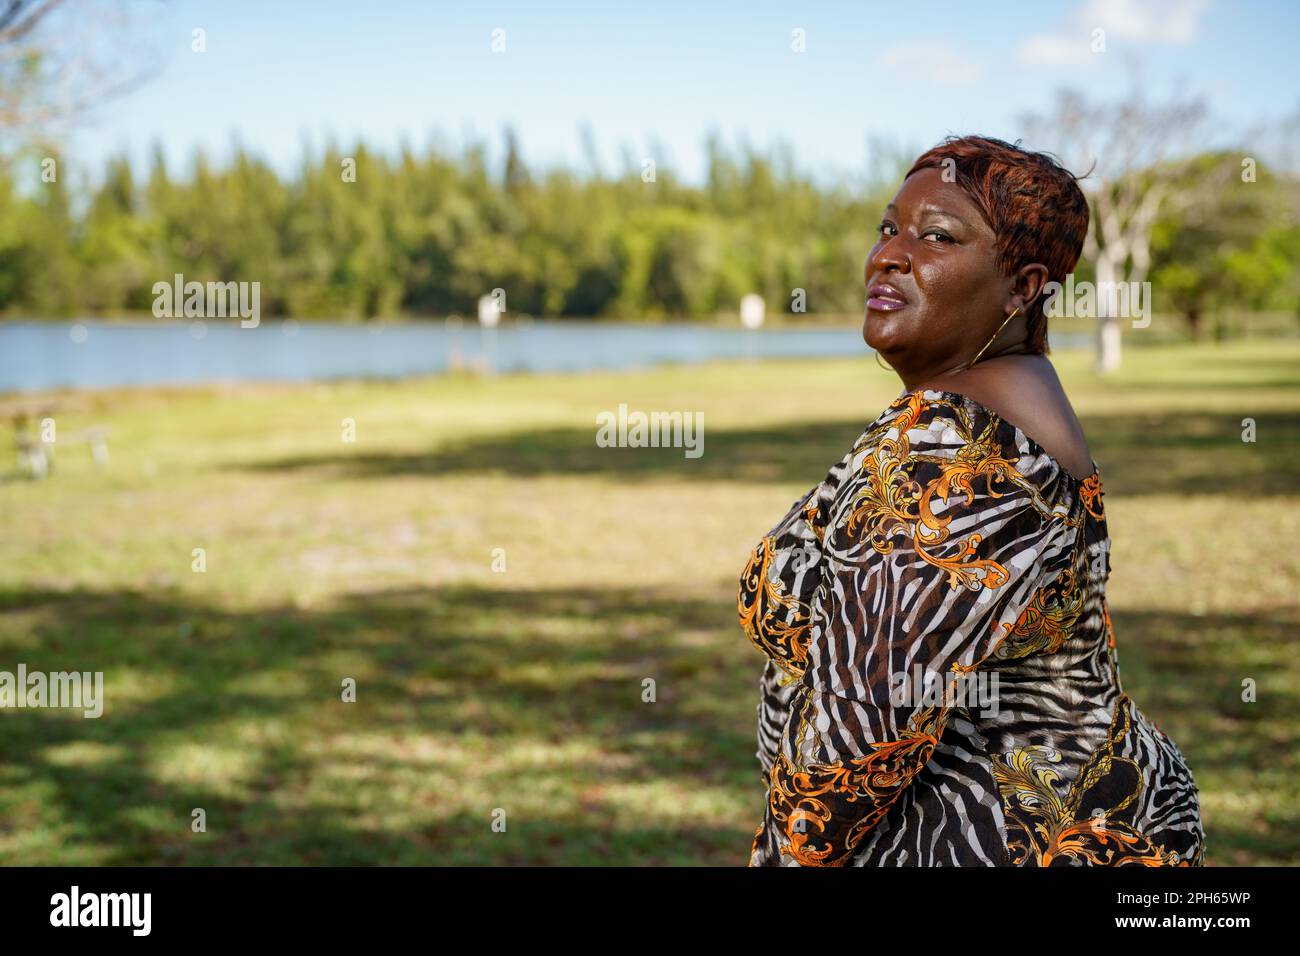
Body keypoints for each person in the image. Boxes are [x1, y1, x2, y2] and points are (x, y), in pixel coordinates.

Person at [738, 135, 1206, 866]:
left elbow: (857, 745)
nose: (890, 255)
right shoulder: (1009, 405)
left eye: (936, 237)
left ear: (1023, 288)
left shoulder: (958, 457)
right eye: (888, 228)